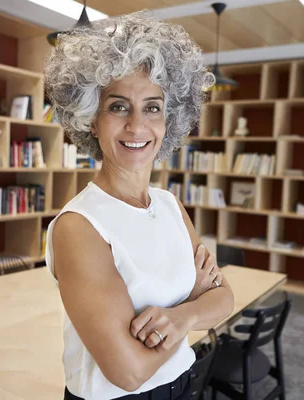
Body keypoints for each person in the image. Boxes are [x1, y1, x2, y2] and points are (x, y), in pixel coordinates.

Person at [44, 11, 235, 400]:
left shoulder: (169, 205)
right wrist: (194, 301)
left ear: (170, 120)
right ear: (90, 120)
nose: (137, 125)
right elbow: (127, 372)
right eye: (117, 106)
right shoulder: (80, 226)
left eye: (152, 107)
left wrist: (182, 315)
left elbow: (225, 299)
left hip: (184, 385)